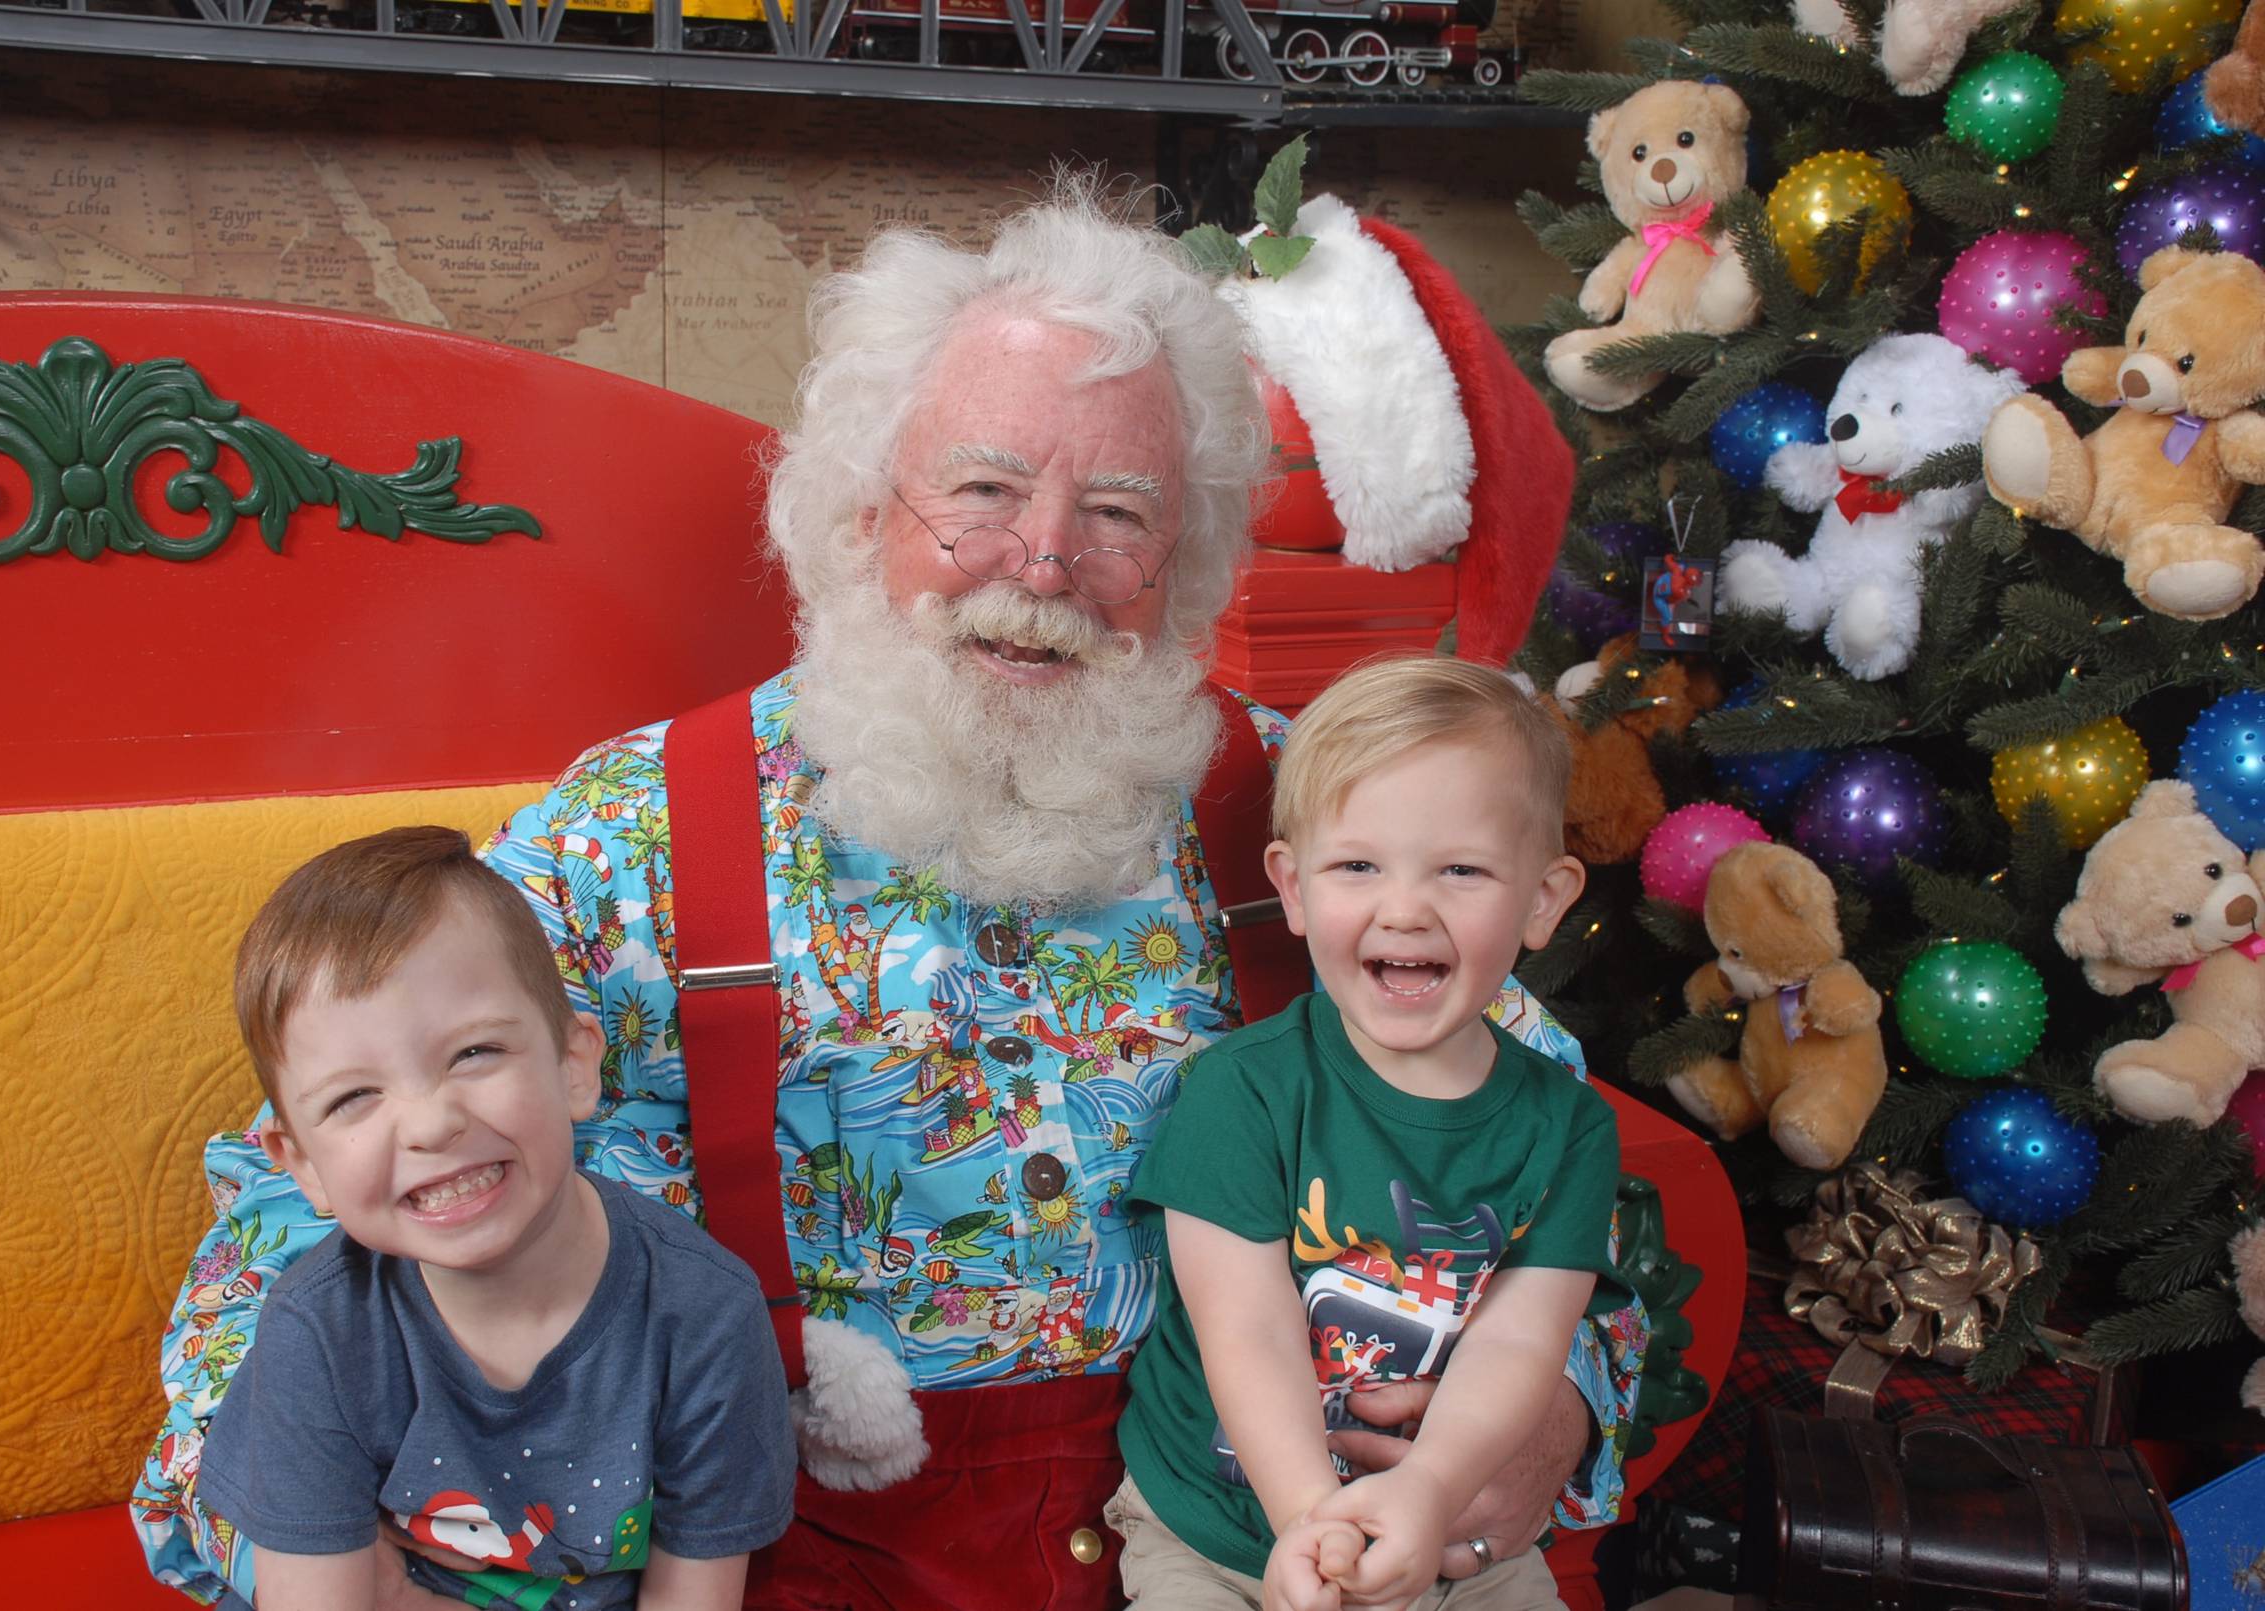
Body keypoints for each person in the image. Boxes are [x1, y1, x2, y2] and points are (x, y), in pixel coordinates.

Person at [137, 178, 1649, 1611]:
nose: (1045, 558)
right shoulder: (634, 831)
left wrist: (1562, 1414)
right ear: (862, 514)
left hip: (1262, 1534)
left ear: (1180, 562)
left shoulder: (1310, 813)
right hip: (795, 1548)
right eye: (981, 489)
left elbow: (1551, 1157)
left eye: (1118, 512)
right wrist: (318, 1539)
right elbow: (304, 1196)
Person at [1109, 657, 1629, 1611]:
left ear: (1544, 900)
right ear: (1293, 885)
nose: (1404, 908)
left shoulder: (1568, 1126)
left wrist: (1430, 1495)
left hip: (1451, 1530)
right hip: (1217, 1528)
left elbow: (1519, 1342)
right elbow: (1250, 1329)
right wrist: (1311, 1517)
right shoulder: (1246, 1092)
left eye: (1462, 870)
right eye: (1357, 865)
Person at [191, 827, 795, 1610]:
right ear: (303, 1162)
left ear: (574, 1064)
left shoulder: (707, 1316)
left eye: (473, 1052)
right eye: (353, 1097)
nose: (430, 1123)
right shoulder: (318, 1334)